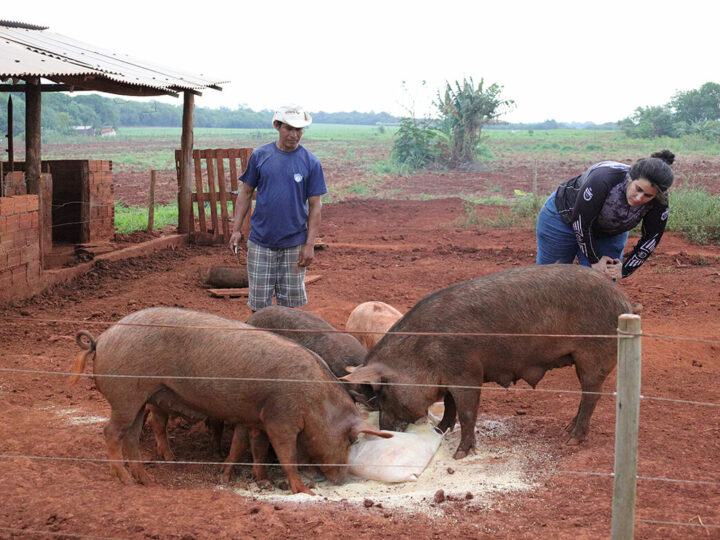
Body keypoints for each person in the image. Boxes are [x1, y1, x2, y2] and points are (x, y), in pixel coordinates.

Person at [229, 105, 327, 312]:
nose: (294, 135)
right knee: (259, 306)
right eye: (289, 129)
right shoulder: (260, 156)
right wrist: (236, 230)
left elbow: (315, 206)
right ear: (277, 126)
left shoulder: (311, 162)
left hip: (294, 244)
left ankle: (287, 343)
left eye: (299, 130)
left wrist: (310, 244)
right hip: (261, 242)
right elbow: (245, 193)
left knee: (290, 309)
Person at [536, 150, 675, 280]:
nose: (639, 198)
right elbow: (580, 223)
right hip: (563, 218)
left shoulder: (659, 202)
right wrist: (594, 259)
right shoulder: (604, 179)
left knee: (602, 279)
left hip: (608, 230)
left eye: (648, 195)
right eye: (638, 189)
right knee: (551, 277)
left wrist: (626, 269)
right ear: (631, 178)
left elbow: (651, 239)